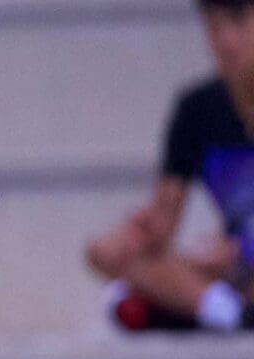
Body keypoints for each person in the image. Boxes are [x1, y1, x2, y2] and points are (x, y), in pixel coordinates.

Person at [87, 0, 254, 332]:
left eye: (237, 22)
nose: (225, 41)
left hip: (240, 258)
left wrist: (243, 250)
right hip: (236, 267)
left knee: (132, 298)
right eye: (214, 27)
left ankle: (209, 308)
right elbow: (163, 222)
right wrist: (140, 232)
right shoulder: (197, 109)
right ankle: (230, 311)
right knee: (105, 251)